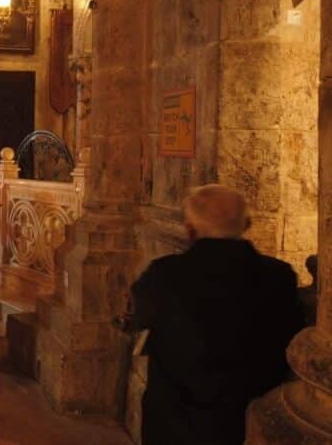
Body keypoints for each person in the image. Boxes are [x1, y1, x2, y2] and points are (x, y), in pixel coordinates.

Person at [128, 185, 305, 445]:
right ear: (246, 224)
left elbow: (139, 316)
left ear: (190, 230)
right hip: (244, 420)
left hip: (174, 421)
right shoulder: (280, 276)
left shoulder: (164, 275)